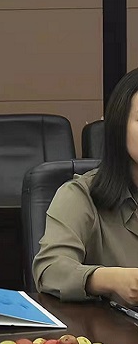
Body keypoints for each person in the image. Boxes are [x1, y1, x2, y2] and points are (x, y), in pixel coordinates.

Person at [33, 68, 138, 305]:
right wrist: (111, 279)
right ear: (119, 127)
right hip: (114, 325)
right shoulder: (81, 195)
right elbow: (49, 270)